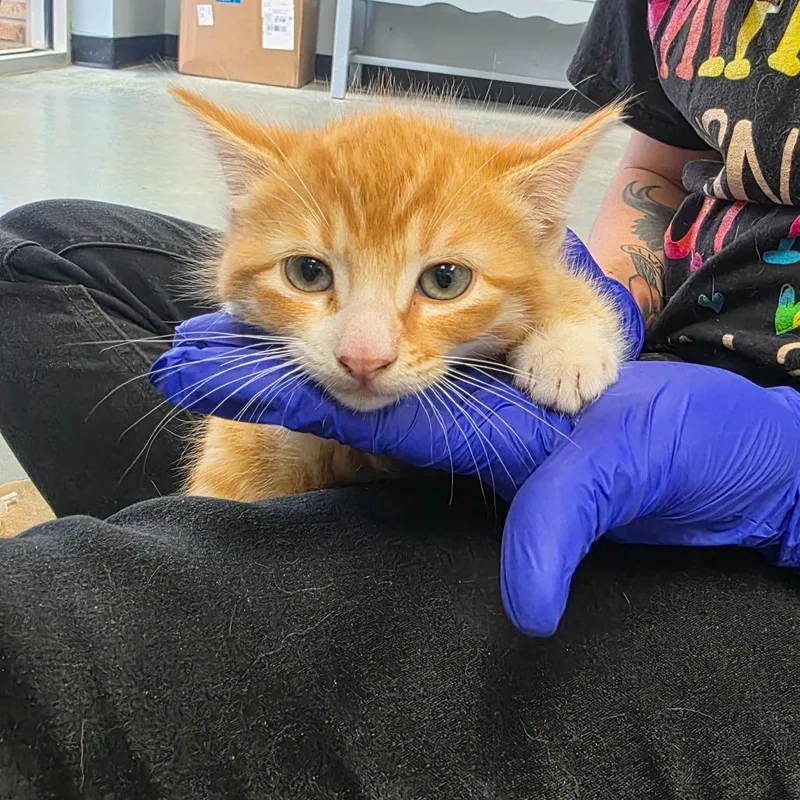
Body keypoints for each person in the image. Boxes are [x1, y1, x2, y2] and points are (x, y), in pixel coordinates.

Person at [1, 0, 800, 792]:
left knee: (44, 641)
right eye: (310, 271)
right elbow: (656, 170)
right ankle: (225, 579)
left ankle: (220, 598)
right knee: (31, 259)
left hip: (754, 536)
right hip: (659, 356)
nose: (366, 355)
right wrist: (607, 304)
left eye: (441, 279)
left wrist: (784, 470)